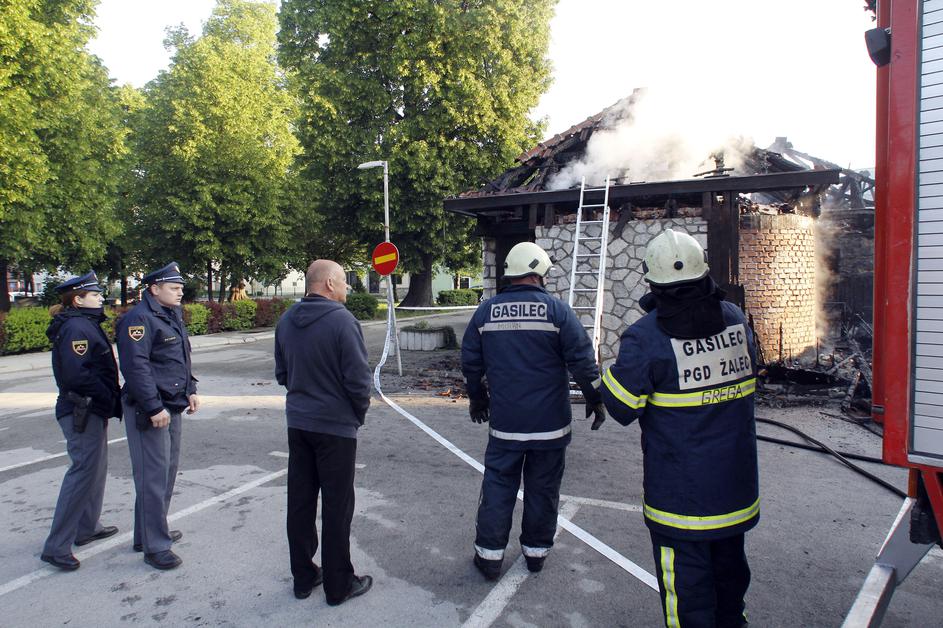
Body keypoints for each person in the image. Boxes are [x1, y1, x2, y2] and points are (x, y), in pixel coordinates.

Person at [600, 229, 759, 628]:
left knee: (688, 604)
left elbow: (621, 407)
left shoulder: (646, 336)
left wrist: (604, 377)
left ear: (653, 282)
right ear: (704, 272)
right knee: (730, 595)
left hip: (681, 504)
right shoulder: (736, 320)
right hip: (735, 494)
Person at [461, 241, 605, 580]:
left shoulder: (486, 312)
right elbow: (583, 362)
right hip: (550, 426)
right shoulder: (557, 311)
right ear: (538, 272)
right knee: (543, 489)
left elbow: (471, 363)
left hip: (506, 425)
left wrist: (477, 399)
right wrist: (595, 398)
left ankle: (489, 558)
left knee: (498, 487)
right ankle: (536, 554)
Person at [274, 259, 373, 605]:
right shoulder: (343, 321)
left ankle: (303, 577)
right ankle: (338, 585)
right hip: (335, 428)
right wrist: (357, 415)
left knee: (300, 502)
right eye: (344, 280)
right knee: (337, 506)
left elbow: (282, 373)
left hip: (299, 423)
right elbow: (359, 381)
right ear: (329, 283)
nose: (348, 287)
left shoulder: (286, 320)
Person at [116, 262, 198, 570]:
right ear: (154, 289)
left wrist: (191, 388)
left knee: (165, 473)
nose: (180, 293)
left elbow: (181, 357)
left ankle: (149, 532)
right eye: (174, 288)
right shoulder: (139, 319)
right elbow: (135, 367)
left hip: (172, 403)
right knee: (152, 477)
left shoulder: (169, 313)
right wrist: (153, 407)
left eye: (180, 288)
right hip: (150, 409)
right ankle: (155, 546)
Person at [40, 272, 122, 571]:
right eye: (95, 294)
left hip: (91, 408)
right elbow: (78, 375)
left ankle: (87, 527)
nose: (101, 298)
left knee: (94, 470)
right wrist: (106, 396)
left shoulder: (84, 323)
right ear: (77, 299)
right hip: (82, 409)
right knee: (82, 473)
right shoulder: (76, 327)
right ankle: (56, 546)